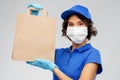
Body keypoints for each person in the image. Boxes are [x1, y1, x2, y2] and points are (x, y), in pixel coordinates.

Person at [27, 4, 103, 80]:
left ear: (88, 27)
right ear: (66, 29)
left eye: (80, 24)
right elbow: (30, 52)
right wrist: (33, 21)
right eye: (71, 24)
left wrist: (54, 68)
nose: (75, 28)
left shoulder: (92, 54)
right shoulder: (59, 53)